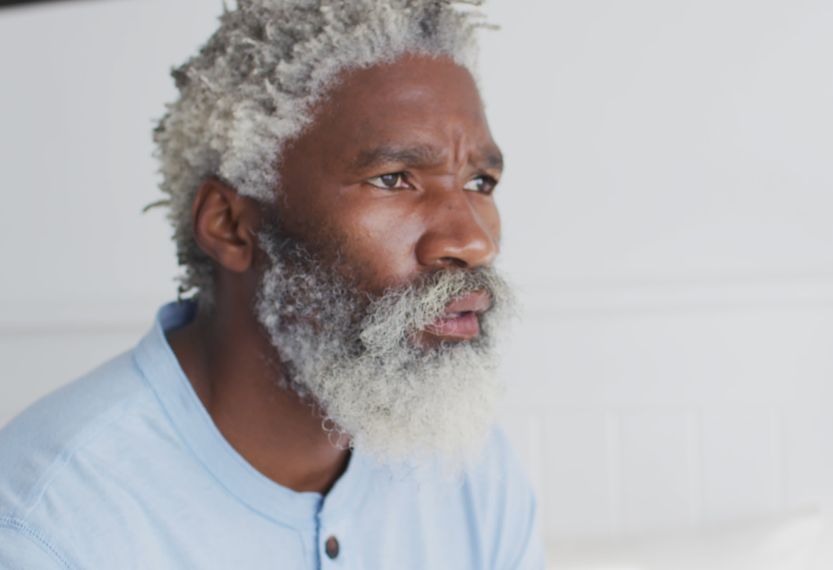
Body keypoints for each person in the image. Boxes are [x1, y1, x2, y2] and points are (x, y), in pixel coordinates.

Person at [0, 1, 544, 568]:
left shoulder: (471, 476)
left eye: (481, 181)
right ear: (232, 226)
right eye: (393, 178)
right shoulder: (45, 526)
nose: (475, 241)